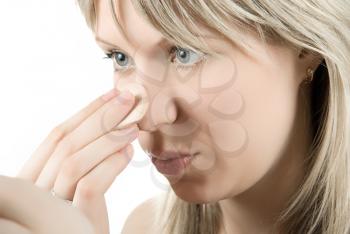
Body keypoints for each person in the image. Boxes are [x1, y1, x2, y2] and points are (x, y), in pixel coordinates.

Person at [1, 0, 349, 233]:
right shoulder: (145, 227)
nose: (148, 117)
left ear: (307, 46)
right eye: (120, 58)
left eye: (185, 53)